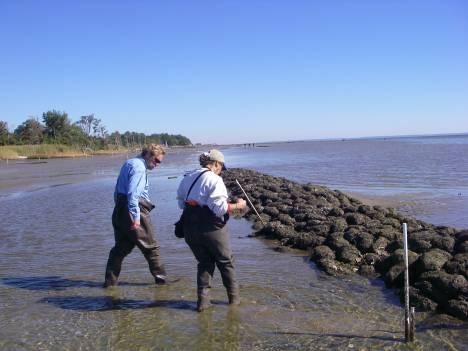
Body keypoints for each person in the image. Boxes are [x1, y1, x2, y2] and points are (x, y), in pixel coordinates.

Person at [177, 149, 247, 312]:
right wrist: (239, 205)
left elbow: (181, 204)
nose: (221, 170)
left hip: (189, 227)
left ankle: (202, 304)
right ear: (216, 164)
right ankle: (234, 303)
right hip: (211, 229)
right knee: (225, 262)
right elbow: (220, 209)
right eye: (221, 167)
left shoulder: (187, 177)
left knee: (204, 263)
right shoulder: (215, 179)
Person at [104, 144, 167, 287]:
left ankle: (109, 284)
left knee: (120, 249)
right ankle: (162, 283)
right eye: (157, 161)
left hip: (120, 209)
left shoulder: (129, 163)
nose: (157, 165)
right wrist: (136, 218)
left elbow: (117, 190)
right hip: (135, 209)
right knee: (151, 248)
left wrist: (121, 211)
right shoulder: (139, 168)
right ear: (149, 155)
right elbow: (133, 195)